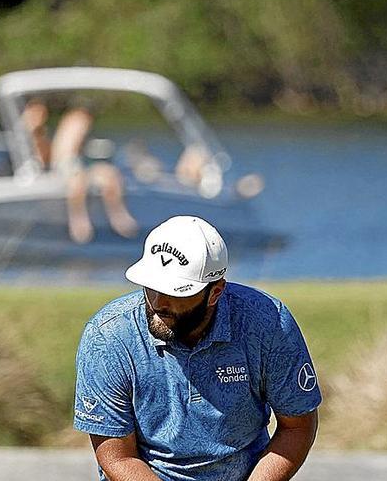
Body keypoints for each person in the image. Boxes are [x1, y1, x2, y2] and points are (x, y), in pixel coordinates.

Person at [74, 216, 322, 480]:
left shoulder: (267, 322)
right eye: (151, 286)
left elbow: (297, 426)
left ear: (215, 292)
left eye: (175, 292)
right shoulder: (107, 337)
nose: (157, 302)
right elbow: (118, 457)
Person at [48, 104, 138, 243]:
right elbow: (67, 155)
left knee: (109, 173)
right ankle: (78, 218)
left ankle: (117, 214)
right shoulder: (77, 121)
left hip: (79, 164)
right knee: (78, 179)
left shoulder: (79, 123)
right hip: (67, 165)